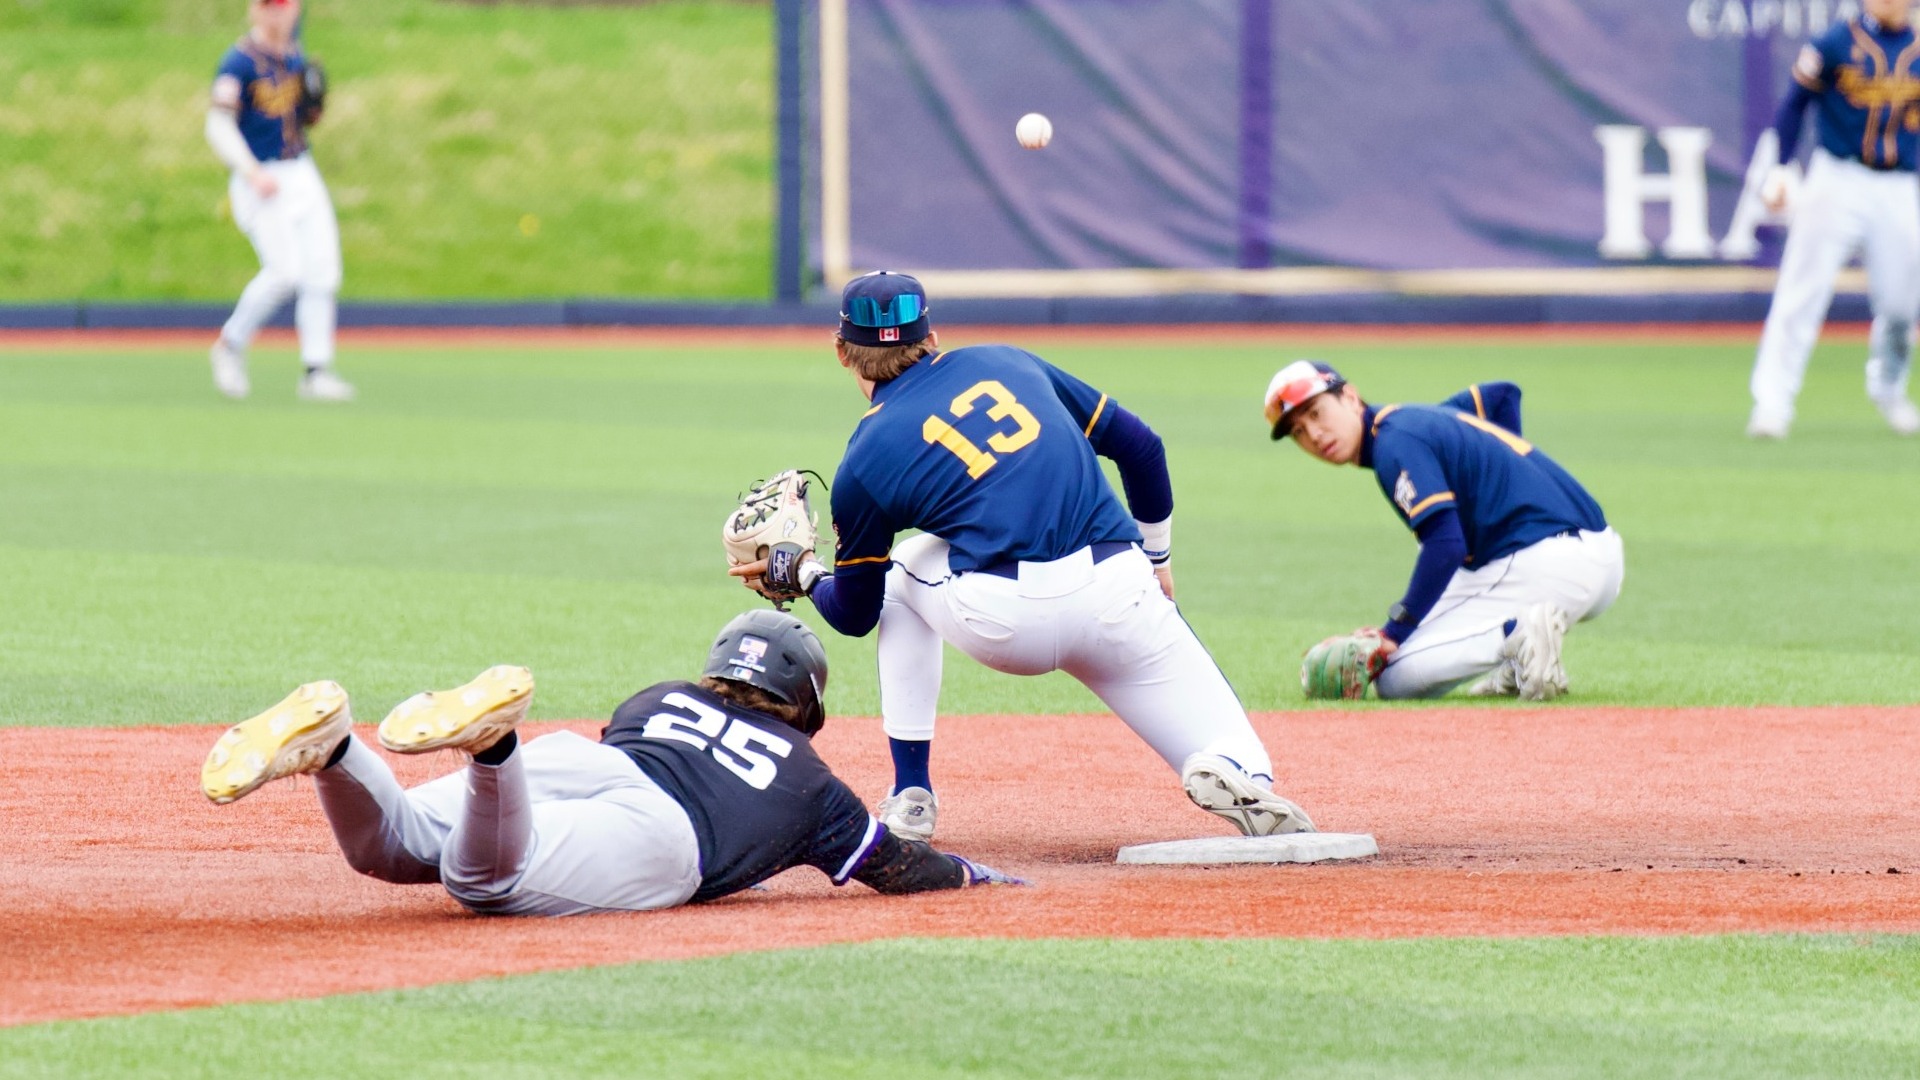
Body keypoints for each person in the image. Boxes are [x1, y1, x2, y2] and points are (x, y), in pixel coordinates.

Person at [728, 271, 1316, 843]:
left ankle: (912, 794)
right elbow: (1141, 447)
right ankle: (1235, 768)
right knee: (1238, 756)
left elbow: (857, 613)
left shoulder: (864, 457)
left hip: (1007, 622)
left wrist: (802, 570)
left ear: (841, 353)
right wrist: (1158, 561)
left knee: (904, 567)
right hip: (1119, 594)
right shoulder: (1009, 361)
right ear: (933, 338)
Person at [198, 611, 1018, 915]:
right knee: (483, 880)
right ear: (805, 703)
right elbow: (896, 868)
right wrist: (975, 875)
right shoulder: (809, 781)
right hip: (662, 837)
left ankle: (337, 744)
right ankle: (491, 747)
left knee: (397, 846)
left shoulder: (657, 696)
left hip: (586, 766)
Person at [1265, 360, 1624, 701]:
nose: (1313, 433)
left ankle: (1520, 636)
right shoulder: (1415, 423)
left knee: (1394, 678)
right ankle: (1519, 659)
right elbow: (1500, 395)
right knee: (1402, 647)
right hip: (1592, 553)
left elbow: (1446, 544)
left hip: (1552, 563)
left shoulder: (1395, 442)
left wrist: (1393, 632)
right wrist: (1495, 478)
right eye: (1298, 431)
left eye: (1316, 413)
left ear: (1350, 397)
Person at [1747, 0, 1920, 439]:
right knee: (1801, 292)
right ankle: (1772, 403)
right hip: (1837, 176)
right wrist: (1782, 168)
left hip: (1898, 183)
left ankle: (1888, 388)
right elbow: (1793, 105)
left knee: (1902, 305)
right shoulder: (1835, 41)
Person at [204, 0, 354, 403]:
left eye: (283, 6)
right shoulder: (239, 62)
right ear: (254, 10)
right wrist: (250, 170)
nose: (277, 14)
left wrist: (314, 108)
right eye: (269, 6)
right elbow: (218, 125)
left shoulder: (294, 55)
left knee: (322, 269)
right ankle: (229, 345)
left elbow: (301, 117)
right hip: (260, 175)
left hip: (299, 169)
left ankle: (316, 370)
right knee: (284, 272)